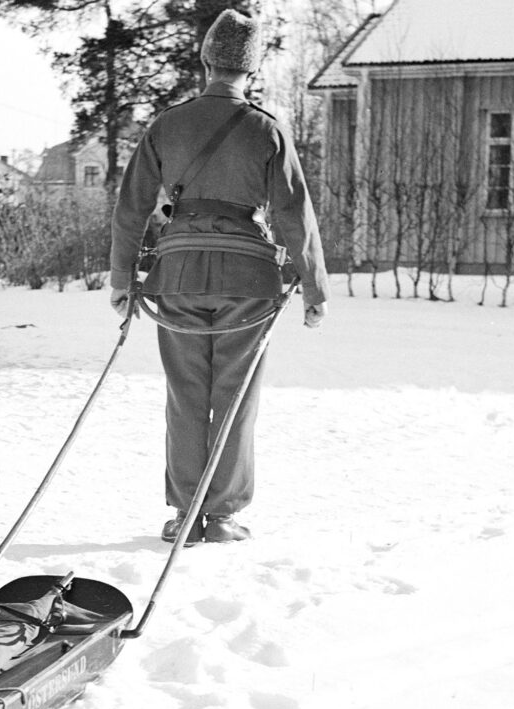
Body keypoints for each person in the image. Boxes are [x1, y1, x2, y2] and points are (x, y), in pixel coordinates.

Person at [109, 9, 329, 546]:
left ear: (206, 59)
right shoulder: (266, 129)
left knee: (185, 394)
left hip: (177, 274)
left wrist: (121, 280)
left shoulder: (167, 124)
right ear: (251, 71)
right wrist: (315, 290)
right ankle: (224, 516)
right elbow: (295, 213)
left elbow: (130, 207)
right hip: (248, 283)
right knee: (236, 396)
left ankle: (185, 516)